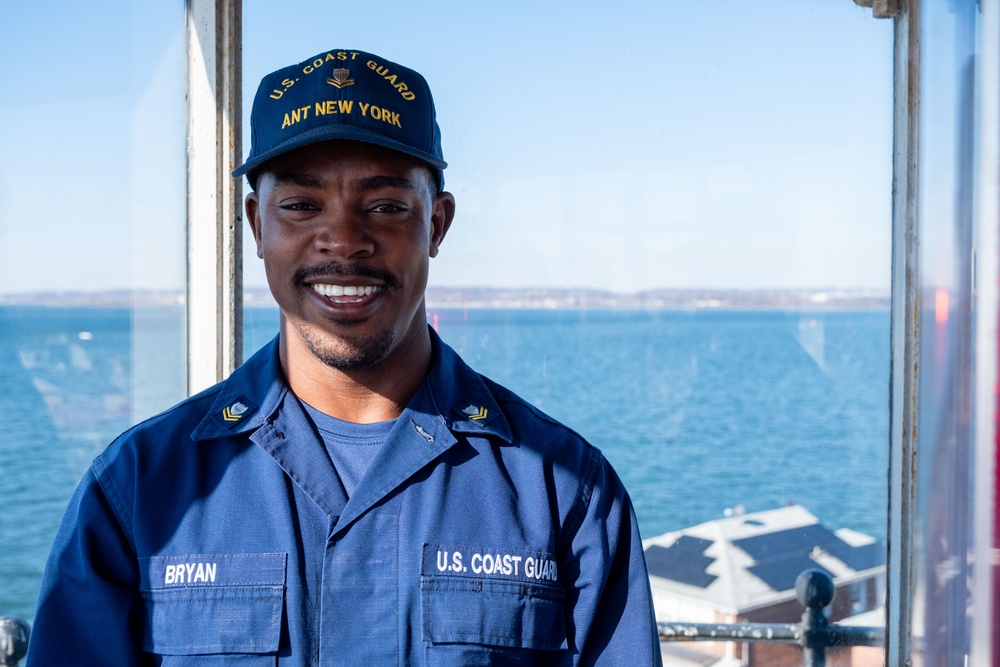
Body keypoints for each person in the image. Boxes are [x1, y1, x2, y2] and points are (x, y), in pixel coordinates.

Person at [28, 48, 662, 665]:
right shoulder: (138, 486)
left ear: (436, 224)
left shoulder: (565, 491)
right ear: (255, 225)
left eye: (385, 206)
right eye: (302, 206)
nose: (343, 240)